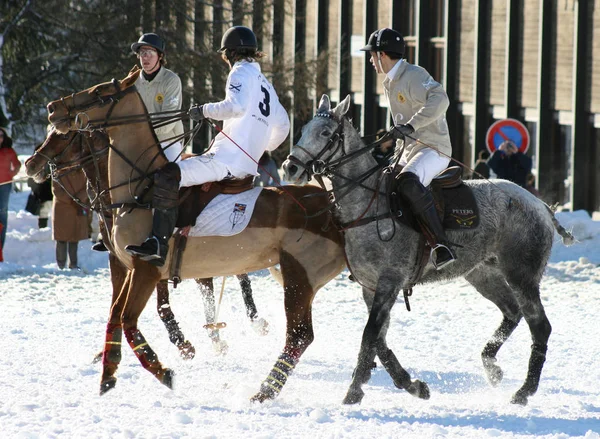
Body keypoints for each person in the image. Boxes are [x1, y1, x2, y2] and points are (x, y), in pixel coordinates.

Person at [126, 26, 290, 266]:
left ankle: (159, 244)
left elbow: (236, 107)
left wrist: (204, 110)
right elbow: (283, 126)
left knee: (168, 175)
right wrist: (259, 148)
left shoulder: (239, 72)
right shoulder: (266, 84)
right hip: (247, 167)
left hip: (225, 161)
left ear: (230, 53)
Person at [360, 28, 455, 269]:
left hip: (434, 148)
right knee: (381, 185)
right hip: (410, 150)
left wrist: (410, 126)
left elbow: (441, 100)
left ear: (382, 54)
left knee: (409, 183)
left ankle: (441, 246)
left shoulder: (413, 74)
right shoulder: (390, 81)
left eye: (372, 55)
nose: (370, 61)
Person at [131, 33, 184, 163]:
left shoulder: (171, 80)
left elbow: (168, 121)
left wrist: (139, 129)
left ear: (160, 56)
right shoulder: (132, 81)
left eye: (150, 52)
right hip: (139, 141)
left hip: (167, 141)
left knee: (171, 177)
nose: (145, 57)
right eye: (142, 52)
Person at [51, 170, 90, 269]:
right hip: (62, 207)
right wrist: (72, 200)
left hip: (78, 207)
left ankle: (73, 263)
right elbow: (56, 190)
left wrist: (78, 199)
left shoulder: (83, 171)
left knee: (74, 237)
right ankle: (60, 264)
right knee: (61, 238)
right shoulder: (58, 171)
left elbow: (88, 187)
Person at [0, 127, 21, 259]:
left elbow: (17, 165)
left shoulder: (9, 151)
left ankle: (0, 249)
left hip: (4, 186)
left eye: (1, 135)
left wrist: (11, 175)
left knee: (2, 212)